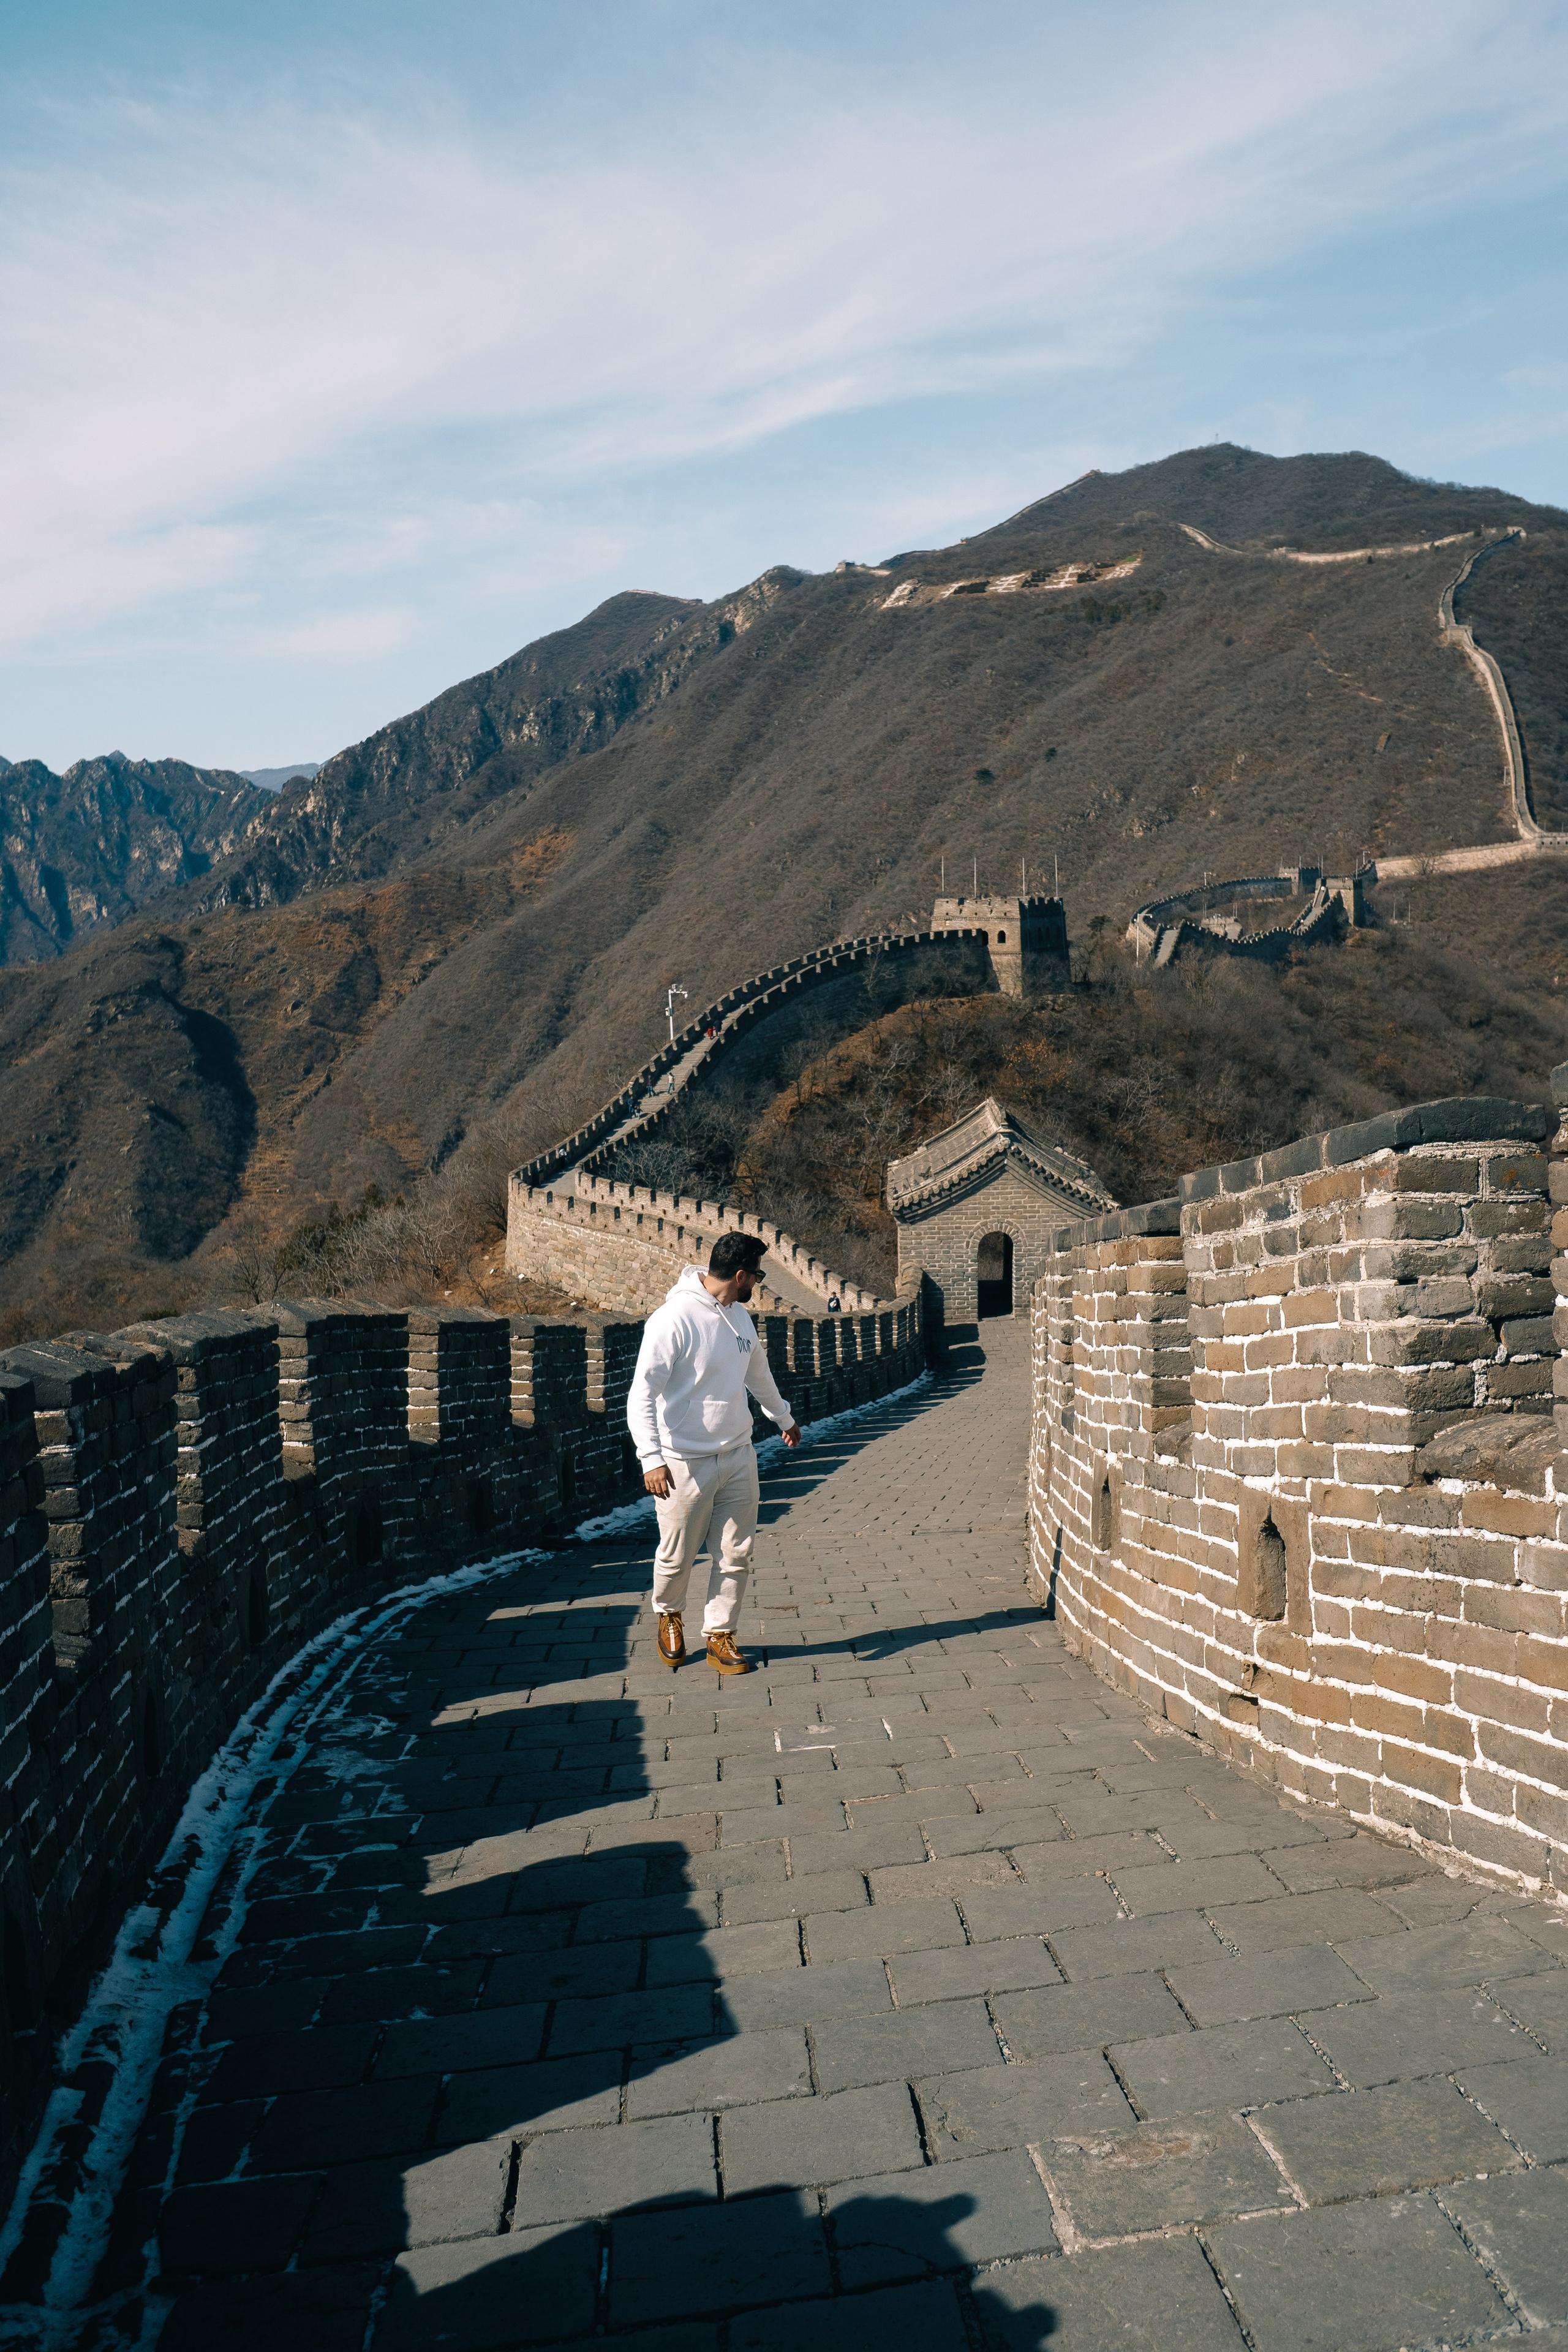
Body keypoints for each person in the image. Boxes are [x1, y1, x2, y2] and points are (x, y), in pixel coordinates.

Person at [627, 1231, 801, 1675]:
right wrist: (651, 1458)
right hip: (684, 1461)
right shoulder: (674, 1319)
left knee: (735, 1553)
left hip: (738, 1455)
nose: (758, 1284)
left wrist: (783, 1418)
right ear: (740, 1274)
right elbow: (642, 1394)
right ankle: (669, 1614)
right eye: (757, 1275)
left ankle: (720, 1634)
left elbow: (757, 1374)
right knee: (677, 1555)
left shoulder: (740, 1319)